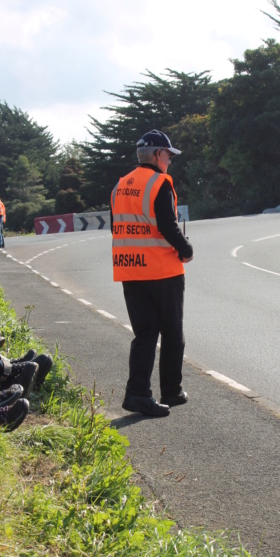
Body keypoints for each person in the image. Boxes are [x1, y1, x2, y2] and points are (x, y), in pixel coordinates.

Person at [110, 129, 194, 417]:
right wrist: (186, 250)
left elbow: (116, 228)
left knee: (145, 334)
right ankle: (171, 391)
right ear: (158, 154)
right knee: (172, 332)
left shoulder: (119, 186)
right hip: (162, 271)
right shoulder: (160, 183)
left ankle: (137, 394)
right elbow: (167, 226)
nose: (169, 161)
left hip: (130, 271)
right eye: (168, 155)